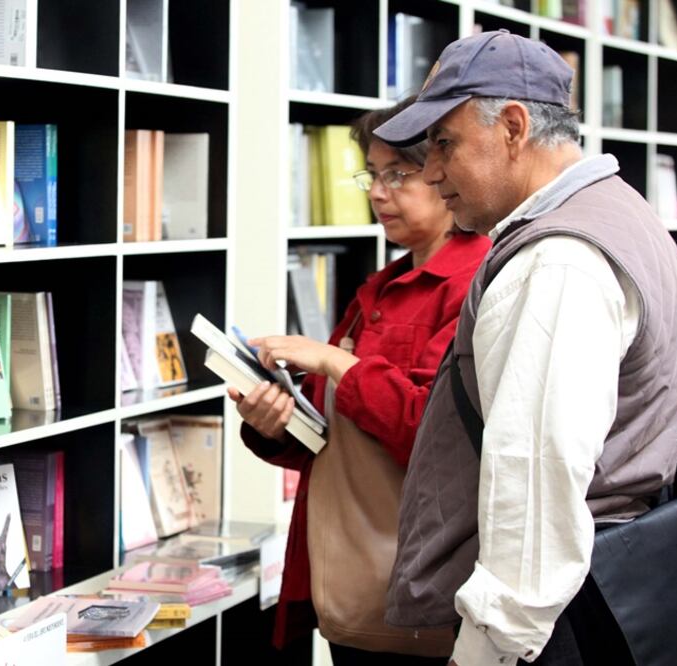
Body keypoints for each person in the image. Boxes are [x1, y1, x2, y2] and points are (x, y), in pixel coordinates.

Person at [372, 30, 677, 665]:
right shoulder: (619, 211)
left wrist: (491, 647)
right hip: (600, 588)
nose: (432, 171)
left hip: (558, 618)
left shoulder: (557, 260)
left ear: (514, 127)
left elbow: (534, 479)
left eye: (445, 143)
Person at [231, 96, 490, 663]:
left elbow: (432, 436)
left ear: (443, 172)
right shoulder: (381, 285)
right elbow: (330, 438)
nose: (377, 192)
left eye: (398, 173)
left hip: (416, 578)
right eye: (372, 174)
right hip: (348, 568)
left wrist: (333, 363)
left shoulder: (473, 283)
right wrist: (272, 422)